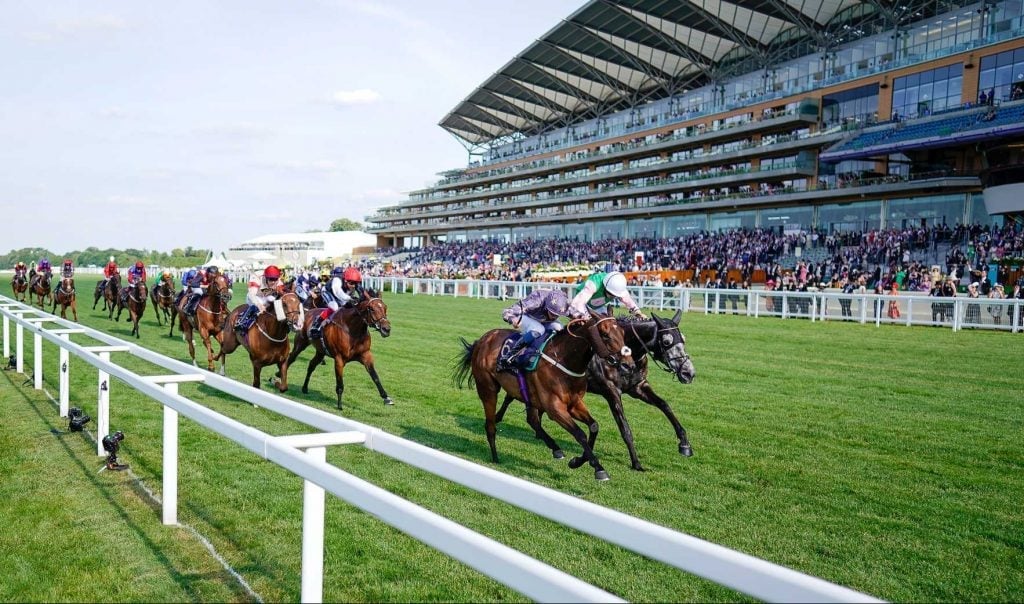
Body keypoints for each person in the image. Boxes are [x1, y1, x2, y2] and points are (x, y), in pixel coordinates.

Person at [497, 288, 570, 371]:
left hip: (543, 320)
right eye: (552, 313)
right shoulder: (536, 302)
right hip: (526, 316)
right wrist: (512, 319)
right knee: (539, 329)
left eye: (557, 315)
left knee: (560, 328)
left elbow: (579, 314)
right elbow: (507, 311)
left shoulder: (563, 305)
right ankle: (509, 357)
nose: (554, 317)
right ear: (546, 306)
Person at [569, 267, 647, 319]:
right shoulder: (594, 283)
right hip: (581, 303)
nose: (611, 297)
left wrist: (638, 313)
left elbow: (628, 301)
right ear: (605, 286)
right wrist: (586, 317)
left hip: (597, 306)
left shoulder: (619, 287)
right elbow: (577, 304)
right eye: (610, 293)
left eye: (614, 295)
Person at [310, 266, 364, 339]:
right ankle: (317, 324)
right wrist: (350, 298)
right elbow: (337, 292)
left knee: (348, 307)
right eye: (351, 283)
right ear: (345, 280)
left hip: (339, 293)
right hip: (327, 291)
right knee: (334, 307)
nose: (354, 285)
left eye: (356, 283)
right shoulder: (337, 279)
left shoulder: (352, 281)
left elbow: (363, 294)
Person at [235, 265, 285, 331]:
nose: (273, 282)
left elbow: (283, 295)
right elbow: (251, 294)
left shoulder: (278, 281)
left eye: (275, 279)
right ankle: (242, 322)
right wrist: (259, 305)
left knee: (277, 301)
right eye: (271, 279)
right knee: (259, 303)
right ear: (266, 278)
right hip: (255, 296)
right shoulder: (256, 277)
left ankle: (283, 322)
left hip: (267, 296)